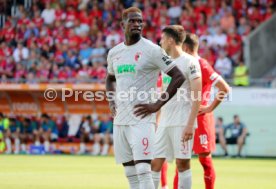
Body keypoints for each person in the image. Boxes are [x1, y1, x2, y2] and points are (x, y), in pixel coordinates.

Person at [105, 7, 185, 189]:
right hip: (120, 120)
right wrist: (111, 100)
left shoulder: (152, 50)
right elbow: (110, 79)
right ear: (122, 24)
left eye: (139, 21)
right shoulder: (114, 53)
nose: (137, 24)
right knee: (130, 173)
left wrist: (157, 104)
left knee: (143, 170)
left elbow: (178, 76)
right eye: (132, 21)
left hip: (142, 119)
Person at [173, 33, 230, 189]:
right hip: (183, 118)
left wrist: (209, 108)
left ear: (185, 47)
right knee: (181, 160)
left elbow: (224, 88)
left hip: (201, 119)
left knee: (204, 159)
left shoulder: (201, 65)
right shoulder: (181, 64)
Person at [151, 25, 202, 189]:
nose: (160, 42)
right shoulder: (165, 63)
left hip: (182, 121)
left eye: (162, 38)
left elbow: (197, 95)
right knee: (155, 163)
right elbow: (163, 94)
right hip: (165, 121)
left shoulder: (190, 62)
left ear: (171, 40)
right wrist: (156, 119)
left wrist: (190, 124)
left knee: (182, 163)